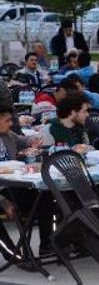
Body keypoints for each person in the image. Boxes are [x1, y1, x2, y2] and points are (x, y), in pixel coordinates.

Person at [0, 105, 52, 263]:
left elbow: (24, 140)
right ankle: (11, 252)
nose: (10, 124)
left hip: (13, 185)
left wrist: (33, 141)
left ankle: (47, 244)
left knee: (44, 196)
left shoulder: (7, 135)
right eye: (7, 120)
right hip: (2, 194)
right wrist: (3, 202)